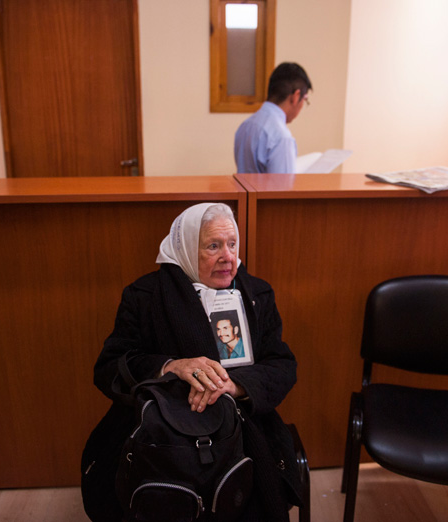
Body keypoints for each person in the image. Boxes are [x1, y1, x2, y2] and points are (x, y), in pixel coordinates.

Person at [81, 202, 301, 522]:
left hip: (241, 424)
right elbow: (110, 366)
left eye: (232, 244)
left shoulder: (256, 293)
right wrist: (171, 366)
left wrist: (235, 385)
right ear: (184, 249)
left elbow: (281, 363)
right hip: (161, 428)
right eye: (213, 246)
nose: (228, 256)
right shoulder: (145, 295)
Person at [234, 62, 312, 174]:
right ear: (296, 96)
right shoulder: (281, 137)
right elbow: (282, 190)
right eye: (305, 100)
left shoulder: (246, 125)